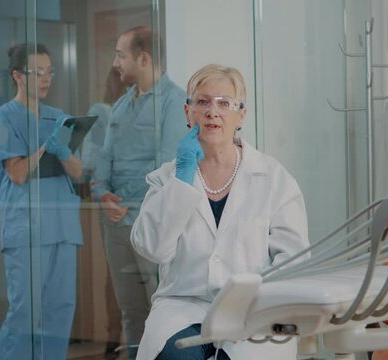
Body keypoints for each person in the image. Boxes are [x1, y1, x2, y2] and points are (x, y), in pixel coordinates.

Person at [130, 64, 310, 360]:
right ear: (188, 112)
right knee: (176, 356)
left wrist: (261, 301)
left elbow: (294, 260)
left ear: (241, 114)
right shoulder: (166, 178)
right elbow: (152, 248)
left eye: (224, 103)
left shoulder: (274, 178)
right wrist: (182, 181)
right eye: (202, 102)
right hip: (184, 306)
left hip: (253, 310)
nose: (213, 112)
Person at [91, 26, 188, 359]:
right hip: (115, 225)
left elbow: (166, 166)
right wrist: (102, 195)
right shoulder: (120, 106)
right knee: (131, 311)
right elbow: (104, 159)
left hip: (148, 223)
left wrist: (127, 202)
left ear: (143, 58)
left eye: (121, 54)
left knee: (161, 311)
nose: (115, 62)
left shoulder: (175, 103)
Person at [0, 43, 83, 360]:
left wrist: (64, 150)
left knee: (60, 311)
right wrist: (46, 148)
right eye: (37, 72)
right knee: (25, 312)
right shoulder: (2, 120)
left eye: (49, 71)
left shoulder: (60, 118)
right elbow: (16, 172)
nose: (45, 79)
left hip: (63, 226)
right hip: (27, 228)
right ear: (17, 76)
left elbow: (79, 173)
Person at [81, 67, 128, 360]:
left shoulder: (146, 112)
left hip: (138, 202)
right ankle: (113, 335)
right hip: (112, 202)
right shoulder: (103, 112)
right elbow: (91, 162)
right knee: (116, 273)